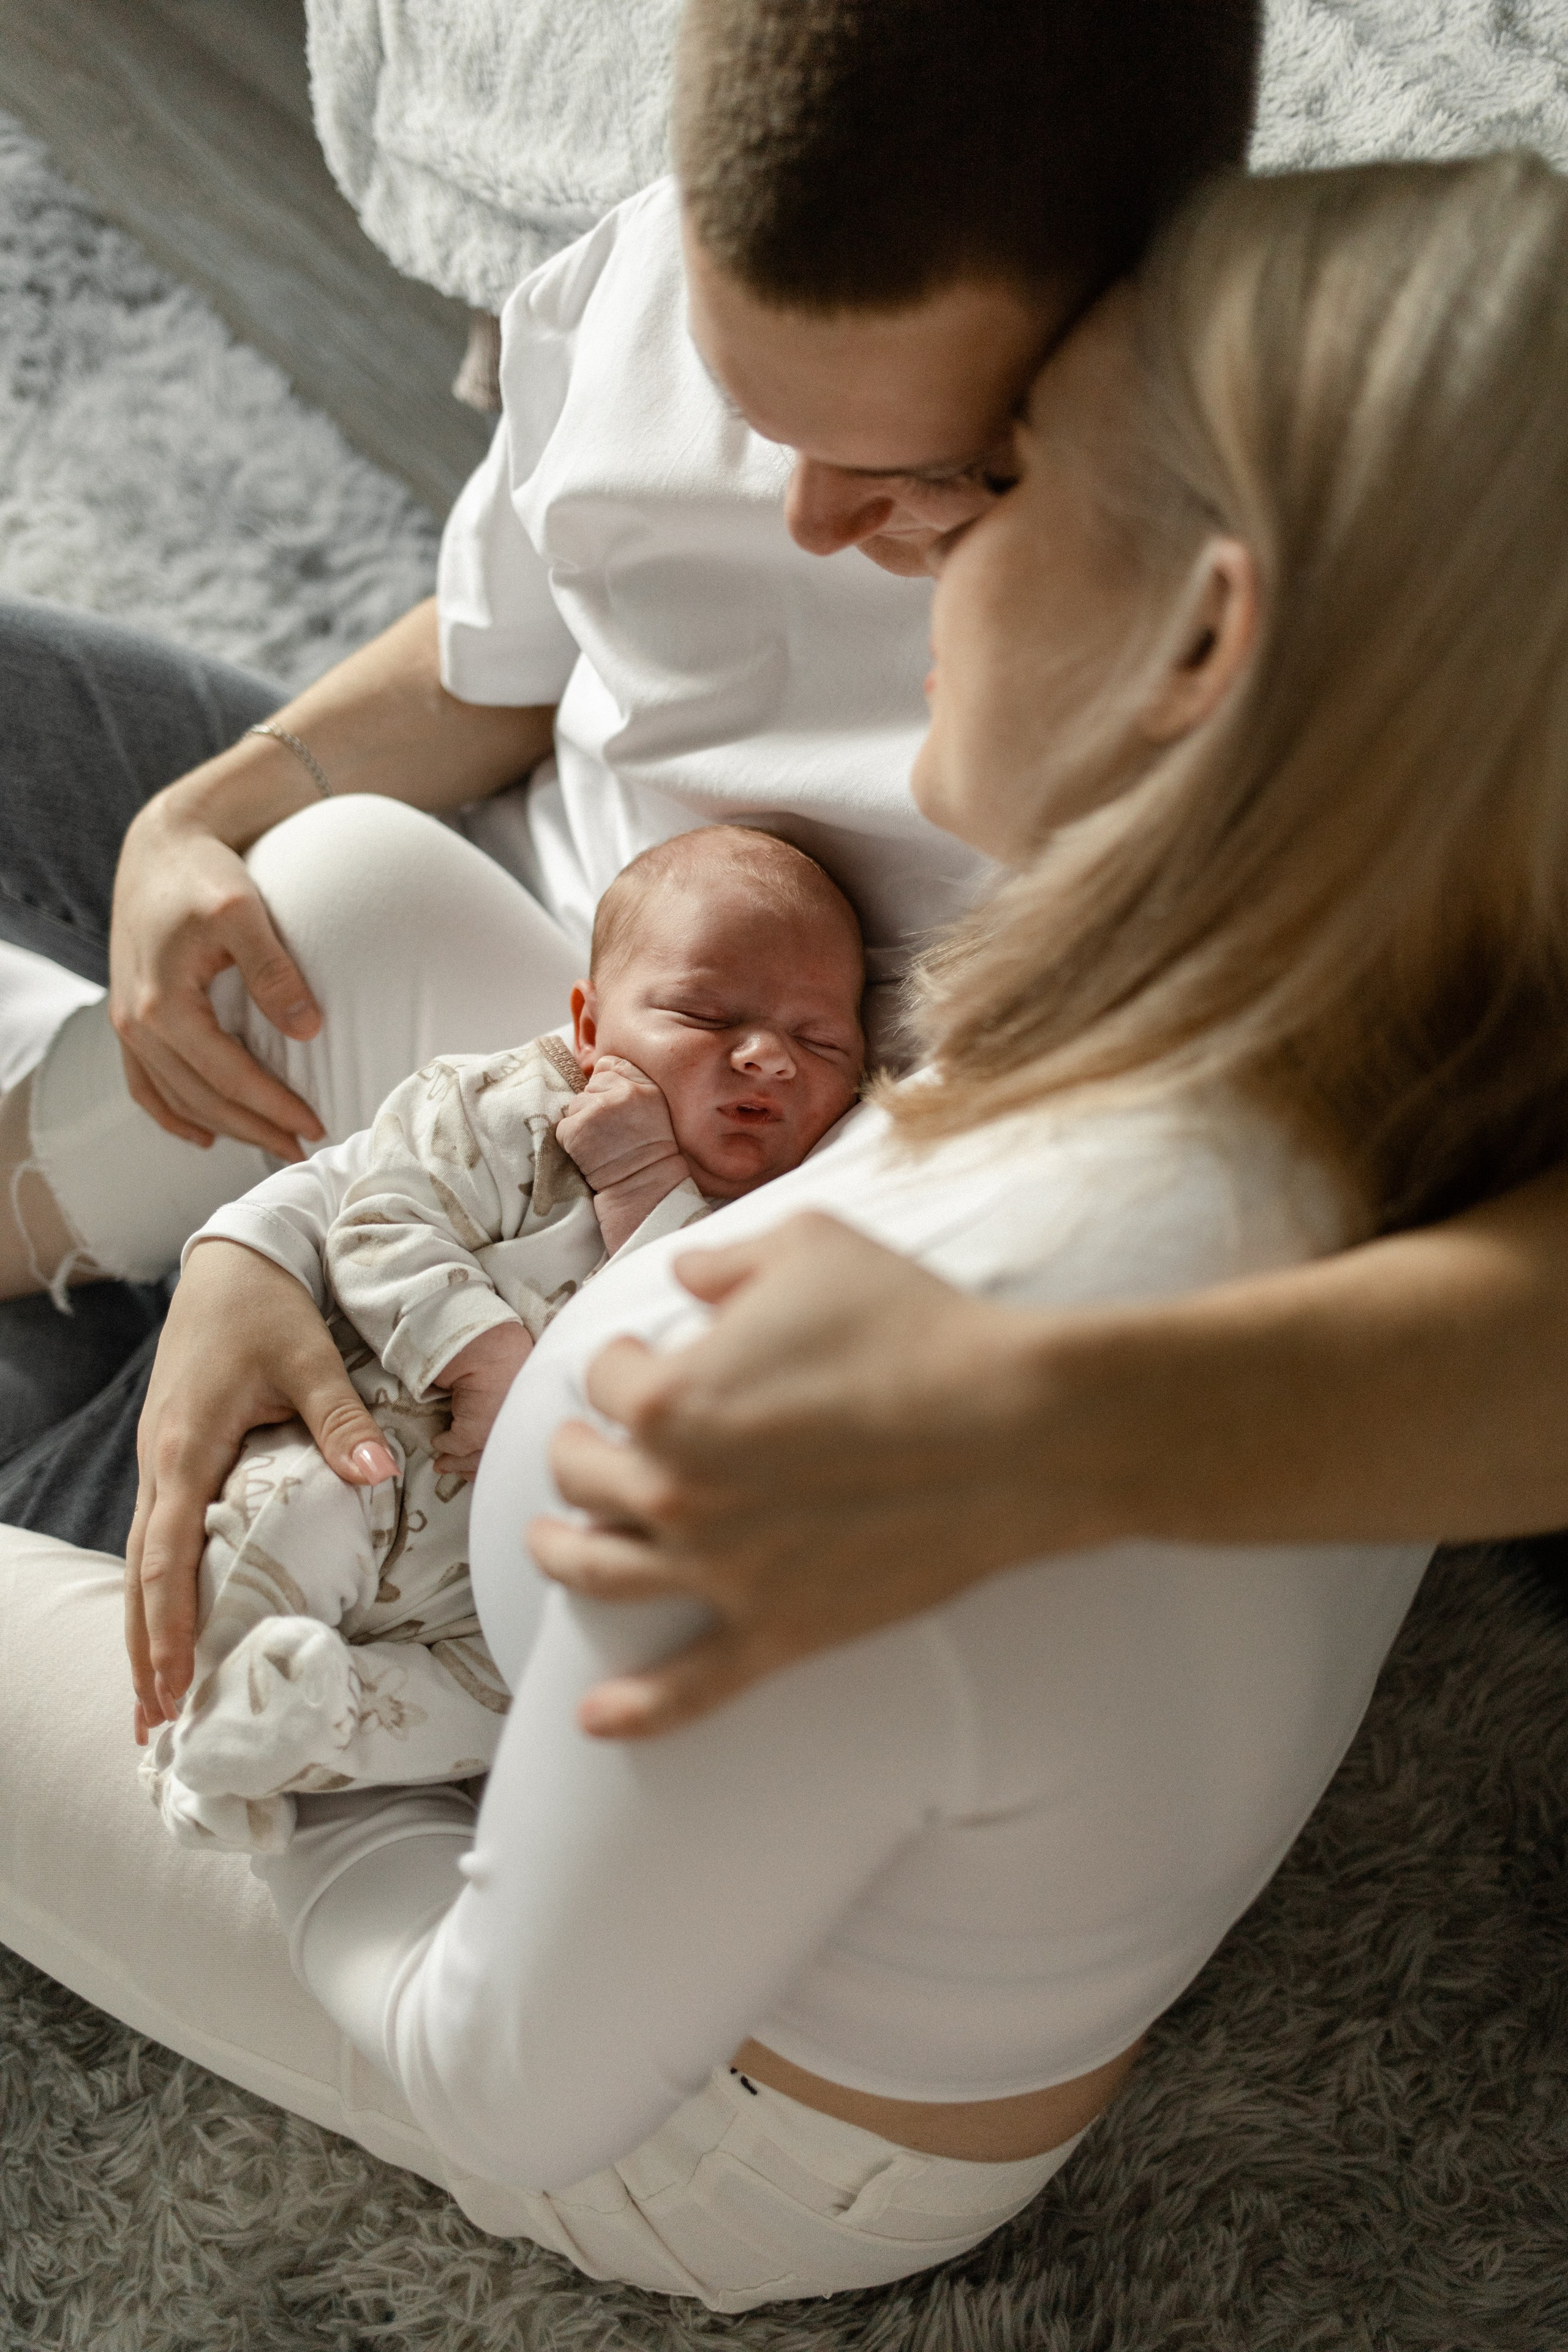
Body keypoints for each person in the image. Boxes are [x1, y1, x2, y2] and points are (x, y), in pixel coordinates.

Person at [244, 153, 1568, 2306]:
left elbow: (501, 2078)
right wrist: (262, 1248)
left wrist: (323, 1823)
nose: (848, 526)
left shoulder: (842, 1428)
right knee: (348, 900)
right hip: (704, 1732)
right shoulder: (1356, 1031)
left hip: (704, 2115)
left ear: (1206, 630)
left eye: (1004, 472)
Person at [0, 0, 1262, 1725]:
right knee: (230, 823)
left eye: (922, 476)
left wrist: (339, 1247)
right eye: (758, 412)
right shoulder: (650, 279)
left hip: (618, 1201)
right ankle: (104, 1247)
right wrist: (202, 814)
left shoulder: (1210, 683)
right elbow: (495, 657)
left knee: (201, 1598)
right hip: (484, 889)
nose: (808, 521)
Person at [141, 827, 864, 1850]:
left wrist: (652, 1194)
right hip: (384, 1462)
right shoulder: (508, 1109)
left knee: (517, 1708)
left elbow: (732, 1381)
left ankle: (297, 1721)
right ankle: (211, 1703)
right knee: (289, 1513)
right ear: (589, 1025)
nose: (765, 1055)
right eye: (706, 1015)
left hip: (516, 1596)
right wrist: (477, 1353)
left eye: (822, 1042)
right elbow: (381, 1218)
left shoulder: (784, 1226)